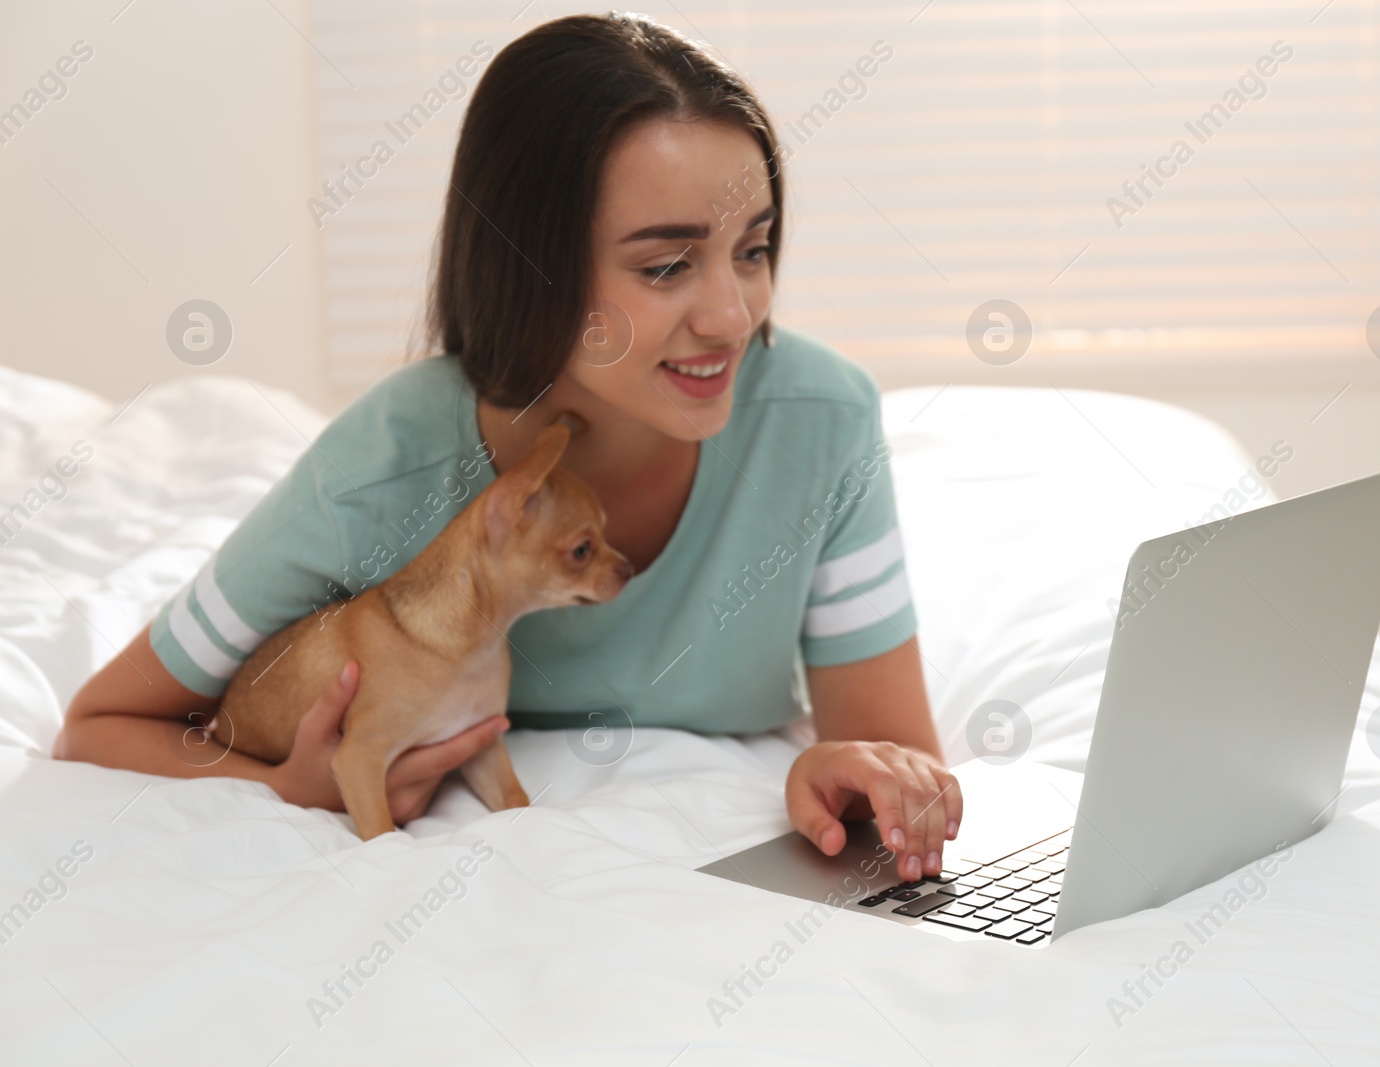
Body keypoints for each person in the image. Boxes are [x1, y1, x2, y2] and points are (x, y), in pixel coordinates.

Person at [53, 11, 960, 883]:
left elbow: (893, 750)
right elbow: (101, 723)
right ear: (531, 266)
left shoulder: (820, 421)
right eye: (666, 265)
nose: (732, 315)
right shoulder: (383, 467)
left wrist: (842, 772)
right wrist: (284, 787)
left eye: (754, 250)